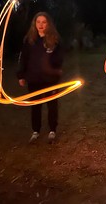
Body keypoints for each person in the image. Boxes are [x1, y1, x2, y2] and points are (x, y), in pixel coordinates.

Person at [17, 12, 64, 143]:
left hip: (50, 79)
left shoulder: (54, 39)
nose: (41, 25)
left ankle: (52, 130)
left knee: (52, 105)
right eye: (38, 22)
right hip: (34, 78)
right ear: (34, 24)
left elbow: (59, 58)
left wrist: (53, 67)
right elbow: (24, 58)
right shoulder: (29, 39)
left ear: (48, 24)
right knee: (35, 106)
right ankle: (36, 131)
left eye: (44, 22)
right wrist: (21, 75)